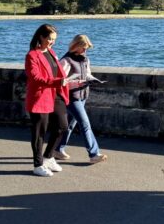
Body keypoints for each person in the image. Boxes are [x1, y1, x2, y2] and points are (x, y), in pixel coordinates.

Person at [53, 34, 108, 164]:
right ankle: (94, 154)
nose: (85, 51)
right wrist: (78, 83)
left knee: (70, 126)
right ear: (76, 46)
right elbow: (61, 81)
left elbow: (87, 74)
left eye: (87, 48)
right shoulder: (66, 60)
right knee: (85, 124)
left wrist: (92, 79)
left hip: (82, 95)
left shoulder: (85, 59)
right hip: (72, 97)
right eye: (83, 48)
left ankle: (58, 150)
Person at [25, 24, 69, 177]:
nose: (52, 42)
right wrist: (57, 82)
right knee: (39, 133)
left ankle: (48, 157)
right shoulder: (32, 55)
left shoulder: (51, 52)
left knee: (63, 127)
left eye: (54, 39)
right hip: (40, 97)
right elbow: (36, 78)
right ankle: (38, 165)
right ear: (41, 37)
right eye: (49, 39)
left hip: (55, 94)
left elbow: (56, 72)